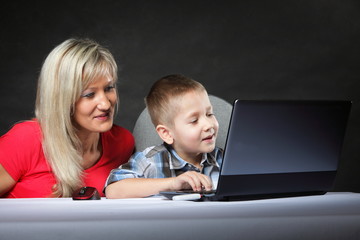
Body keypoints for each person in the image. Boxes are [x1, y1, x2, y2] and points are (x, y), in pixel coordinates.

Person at [0, 38, 135, 198]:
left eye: (109, 88)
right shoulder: (25, 139)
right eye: (89, 94)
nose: (105, 104)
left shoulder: (123, 142)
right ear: (61, 99)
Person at [105, 74, 222, 199]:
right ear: (166, 134)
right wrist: (172, 183)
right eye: (194, 120)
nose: (208, 125)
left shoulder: (223, 159)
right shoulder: (150, 161)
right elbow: (113, 189)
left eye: (209, 114)